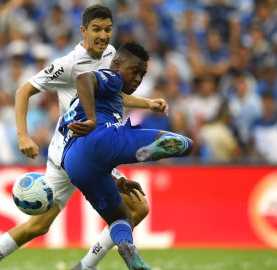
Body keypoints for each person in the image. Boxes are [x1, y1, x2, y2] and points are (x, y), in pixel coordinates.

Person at [0, 4, 164, 270]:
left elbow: (113, 93)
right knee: (134, 209)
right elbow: (22, 92)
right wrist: (22, 136)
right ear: (83, 31)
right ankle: (85, 266)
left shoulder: (110, 56)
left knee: (39, 225)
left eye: (108, 29)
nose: (103, 35)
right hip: (70, 151)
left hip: (93, 145)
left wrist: (147, 103)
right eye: (96, 29)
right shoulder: (68, 64)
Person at [60, 42, 194, 270]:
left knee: (121, 218)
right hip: (100, 136)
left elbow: (90, 150)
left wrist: (115, 180)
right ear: (117, 64)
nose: (139, 78)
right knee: (186, 144)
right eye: (135, 71)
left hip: (73, 161)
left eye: (143, 74)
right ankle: (151, 151)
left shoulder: (105, 96)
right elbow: (83, 79)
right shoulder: (112, 77)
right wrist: (92, 119)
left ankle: (124, 251)